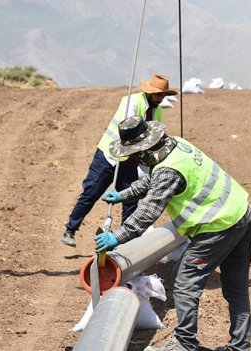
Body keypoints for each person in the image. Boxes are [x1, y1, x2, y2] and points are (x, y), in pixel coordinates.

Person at [95, 117, 251, 351]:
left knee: (184, 282)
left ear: (144, 149)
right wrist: (125, 194)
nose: (133, 159)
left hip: (219, 226)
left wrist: (117, 238)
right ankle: (240, 347)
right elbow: (154, 178)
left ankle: (184, 344)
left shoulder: (168, 170)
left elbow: (148, 212)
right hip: (242, 214)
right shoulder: (175, 146)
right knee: (236, 287)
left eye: (133, 154)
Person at [60, 74, 178, 247]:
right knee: (92, 191)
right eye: (158, 95)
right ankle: (71, 229)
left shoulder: (157, 110)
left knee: (130, 200)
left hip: (131, 160)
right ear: (150, 92)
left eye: (163, 95)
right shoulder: (132, 102)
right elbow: (128, 129)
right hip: (109, 155)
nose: (161, 99)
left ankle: (125, 243)